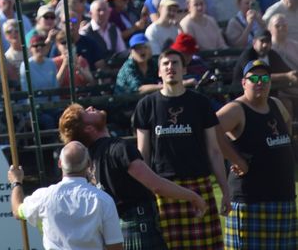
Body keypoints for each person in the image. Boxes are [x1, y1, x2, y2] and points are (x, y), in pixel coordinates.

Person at [59, 103, 207, 250]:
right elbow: (156, 185)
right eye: (86, 112)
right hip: (139, 227)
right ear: (88, 128)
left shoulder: (89, 160)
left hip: (116, 231)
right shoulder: (119, 148)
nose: (90, 107)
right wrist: (193, 197)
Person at [133, 48, 229, 250]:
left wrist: (226, 191)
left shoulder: (200, 103)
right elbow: (143, 153)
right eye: (165, 64)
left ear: (184, 69)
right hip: (164, 186)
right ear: (159, 72)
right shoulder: (146, 105)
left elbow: (214, 150)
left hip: (199, 183)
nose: (170, 68)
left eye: (175, 63)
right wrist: (144, 190)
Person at [217, 58, 297, 250]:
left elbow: (286, 130)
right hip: (251, 202)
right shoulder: (237, 109)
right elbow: (210, 130)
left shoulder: (277, 104)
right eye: (254, 78)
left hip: (283, 198)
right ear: (244, 82)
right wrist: (236, 159)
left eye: (265, 78)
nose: (260, 82)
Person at [8, 140, 123, 250]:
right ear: (88, 164)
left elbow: (17, 211)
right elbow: (115, 246)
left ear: (60, 163)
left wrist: (16, 182)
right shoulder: (104, 200)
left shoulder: (43, 197)